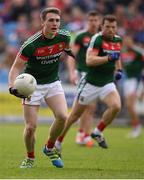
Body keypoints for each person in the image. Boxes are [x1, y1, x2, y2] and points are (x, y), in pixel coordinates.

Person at [8, 7, 75, 168]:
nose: (55, 23)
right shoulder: (31, 44)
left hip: (53, 82)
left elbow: (69, 51)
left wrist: (78, 60)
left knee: (63, 117)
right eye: (51, 20)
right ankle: (30, 158)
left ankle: (49, 147)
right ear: (42, 22)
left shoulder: (65, 36)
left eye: (57, 20)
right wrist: (12, 87)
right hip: (32, 86)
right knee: (31, 127)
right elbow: (15, 68)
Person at [55, 14, 123, 152]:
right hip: (90, 83)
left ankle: (97, 132)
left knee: (116, 106)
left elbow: (117, 57)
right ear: (102, 27)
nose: (110, 30)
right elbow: (90, 60)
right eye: (107, 27)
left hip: (107, 82)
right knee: (74, 116)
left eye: (113, 27)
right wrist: (108, 58)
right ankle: (58, 141)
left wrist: (119, 69)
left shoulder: (117, 40)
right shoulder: (96, 39)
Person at [66, 11, 101, 147]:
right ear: (87, 21)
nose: (93, 22)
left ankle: (83, 133)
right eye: (91, 20)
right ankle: (83, 135)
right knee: (88, 105)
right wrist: (72, 72)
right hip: (82, 73)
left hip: (95, 75)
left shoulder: (100, 38)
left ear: (99, 22)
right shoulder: (81, 36)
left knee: (91, 107)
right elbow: (71, 55)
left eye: (95, 20)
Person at [121, 35, 144, 138]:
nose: (127, 43)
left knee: (131, 105)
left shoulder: (138, 52)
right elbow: (122, 64)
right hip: (127, 81)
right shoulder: (124, 52)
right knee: (128, 106)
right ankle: (136, 127)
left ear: (132, 41)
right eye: (125, 41)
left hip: (136, 80)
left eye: (129, 41)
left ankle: (137, 128)